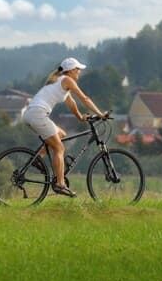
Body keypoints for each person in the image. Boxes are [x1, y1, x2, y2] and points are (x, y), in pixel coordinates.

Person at [22, 57, 107, 197]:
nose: (79, 72)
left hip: (30, 114)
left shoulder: (59, 81)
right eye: (78, 69)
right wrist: (100, 114)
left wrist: (80, 117)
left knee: (61, 134)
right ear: (71, 71)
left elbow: (72, 102)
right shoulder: (67, 80)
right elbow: (84, 99)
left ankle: (38, 158)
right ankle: (60, 184)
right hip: (38, 115)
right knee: (59, 148)